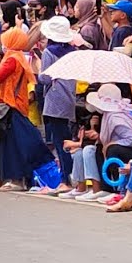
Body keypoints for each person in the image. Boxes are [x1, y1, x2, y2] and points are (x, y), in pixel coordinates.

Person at [0, 29, 53, 191]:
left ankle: (16, 179)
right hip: (14, 106)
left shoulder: (12, 59)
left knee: (12, 145)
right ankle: (19, 179)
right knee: (14, 143)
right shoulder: (16, 57)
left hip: (10, 107)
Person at [38, 16, 79, 194]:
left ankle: (65, 179)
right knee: (66, 137)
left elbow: (45, 77)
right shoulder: (72, 51)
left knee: (58, 140)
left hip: (54, 99)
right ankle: (69, 177)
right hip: (69, 96)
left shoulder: (49, 52)